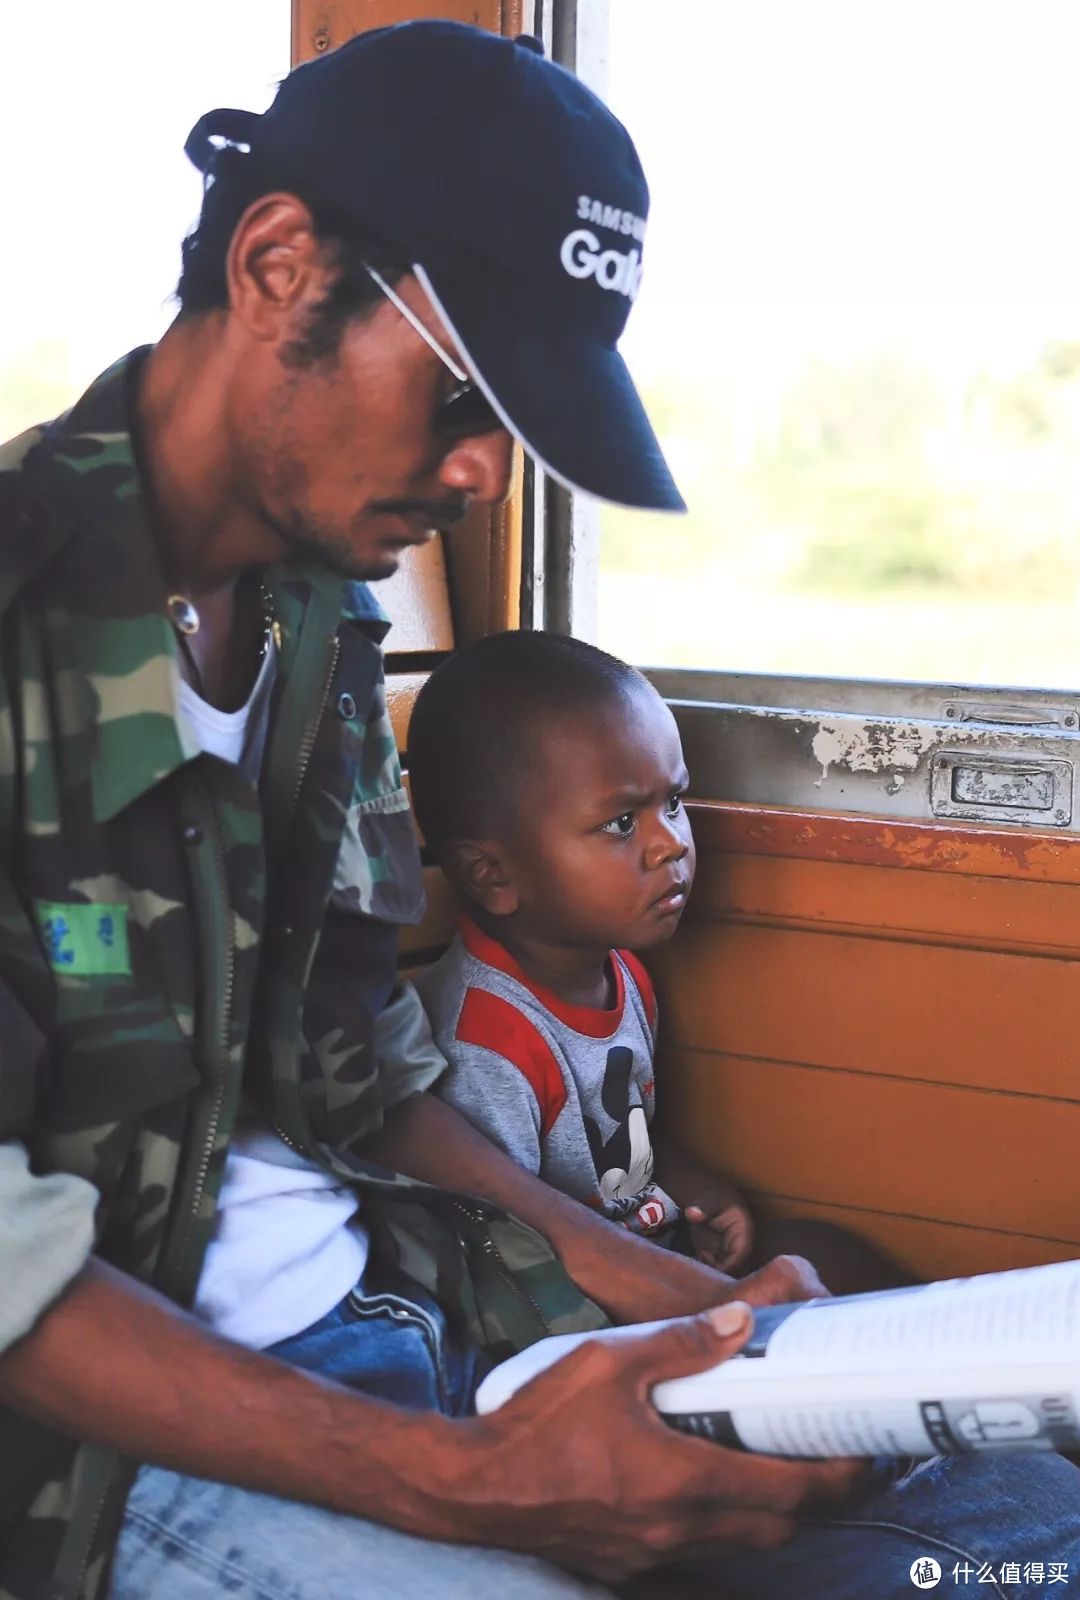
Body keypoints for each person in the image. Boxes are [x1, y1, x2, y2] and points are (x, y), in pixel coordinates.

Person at [0, 20, 1076, 1600]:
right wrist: (467, 1491)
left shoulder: (320, 633)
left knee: (1009, 1519)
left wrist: (717, 1324)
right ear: (279, 262)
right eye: (462, 393)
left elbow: (364, 1088)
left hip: (413, 1304)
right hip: (113, 1452)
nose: (487, 475)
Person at [411, 629, 755, 1270]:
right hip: (577, 1301)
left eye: (673, 802)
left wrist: (698, 1191)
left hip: (649, 1264)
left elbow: (622, 1144)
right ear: (494, 875)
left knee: (826, 1256)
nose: (671, 844)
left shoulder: (622, 974)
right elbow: (506, 1246)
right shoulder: (488, 1043)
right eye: (621, 823)